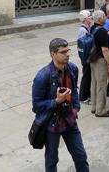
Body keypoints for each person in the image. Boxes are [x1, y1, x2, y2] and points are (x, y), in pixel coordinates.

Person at [32, 38, 89, 172]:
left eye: (68, 51)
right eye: (63, 52)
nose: (67, 54)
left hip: (69, 120)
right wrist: (56, 101)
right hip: (52, 124)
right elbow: (36, 106)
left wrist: (76, 108)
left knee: (81, 156)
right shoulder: (42, 76)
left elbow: (75, 90)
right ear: (53, 54)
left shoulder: (73, 69)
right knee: (51, 161)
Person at [90, 10, 109, 117]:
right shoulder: (102, 31)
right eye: (104, 16)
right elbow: (105, 50)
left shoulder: (92, 28)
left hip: (92, 59)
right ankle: (101, 111)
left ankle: (94, 106)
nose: (106, 18)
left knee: (94, 83)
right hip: (100, 60)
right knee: (101, 86)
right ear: (100, 19)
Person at [77, 10, 93, 103]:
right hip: (86, 57)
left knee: (88, 76)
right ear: (85, 19)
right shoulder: (83, 30)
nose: (90, 18)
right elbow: (83, 45)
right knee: (86, 76)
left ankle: (87, 94)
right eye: (89, 17)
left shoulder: (87, 27)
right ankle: (83, 97)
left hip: (87, 57)